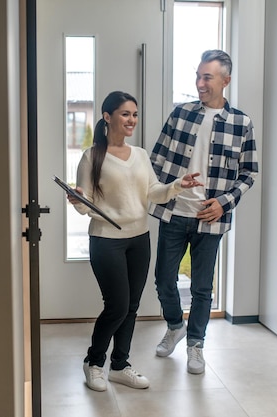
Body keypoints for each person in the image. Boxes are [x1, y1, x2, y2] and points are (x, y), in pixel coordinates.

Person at [66, 91, 202, 392]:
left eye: (135, 114)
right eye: (125, 114)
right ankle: (94, 362)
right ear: (107, 116)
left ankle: (120, 365)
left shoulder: (140, 154)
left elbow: (153, 192)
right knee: (117, 305)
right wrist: (77, 199)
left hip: (139, 239)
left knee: (132, 306)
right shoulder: (92, 156)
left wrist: (179, 185)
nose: (132, 120)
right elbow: (85, 202)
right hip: (106, 240)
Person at [149, 50, 258, 374]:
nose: (199, 83)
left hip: (211, 218)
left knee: (201, 289)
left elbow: (249, 173)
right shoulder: (180, 114)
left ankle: (196, 345)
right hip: (174, 211)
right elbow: (155, 160)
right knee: (163, 280)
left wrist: (223, 202)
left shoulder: (241, 123)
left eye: (207, 77)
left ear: (225, 80)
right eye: (197, 76)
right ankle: (174, 326)